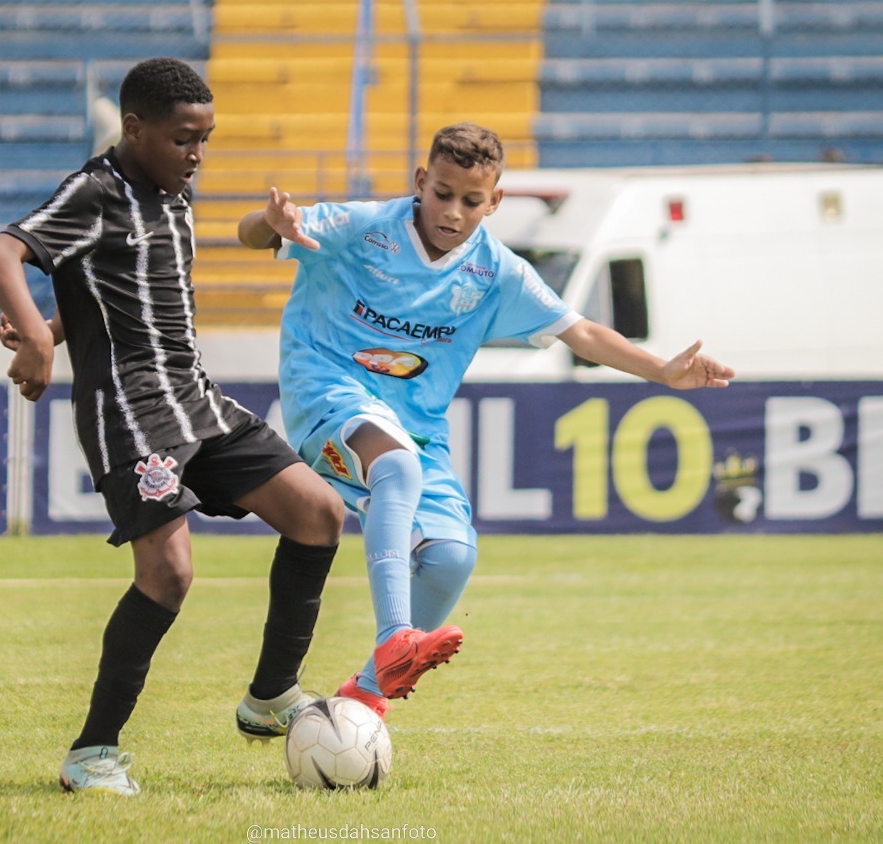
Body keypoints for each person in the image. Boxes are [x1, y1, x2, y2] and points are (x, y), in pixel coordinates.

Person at [238, 122, 735, 719]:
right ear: (421, 181)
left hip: (416, 428)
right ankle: (396, 635)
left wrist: (663, 371)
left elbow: (579, 331)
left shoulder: (496, 271)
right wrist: (270, 223)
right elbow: (250, 234)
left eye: (471, 201)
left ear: (494, 202)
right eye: (442, 192)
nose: (452, 211)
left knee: (452, 557)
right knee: (394, 465)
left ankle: (363, 697)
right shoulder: (364, 227)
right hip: (325, 395)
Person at [0, 57, 345, 797]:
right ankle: (93, 753)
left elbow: (115, 292)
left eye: (206, 140)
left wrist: (55, 322)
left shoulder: (172, 193)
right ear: (135, 129)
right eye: (184, 140)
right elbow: (1, 253)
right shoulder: (93, 191)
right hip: (131, 414)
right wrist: (39, 339)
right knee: (169, 572)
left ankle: (271, 695)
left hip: (195, 399)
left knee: (319, 511)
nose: (198, 155)